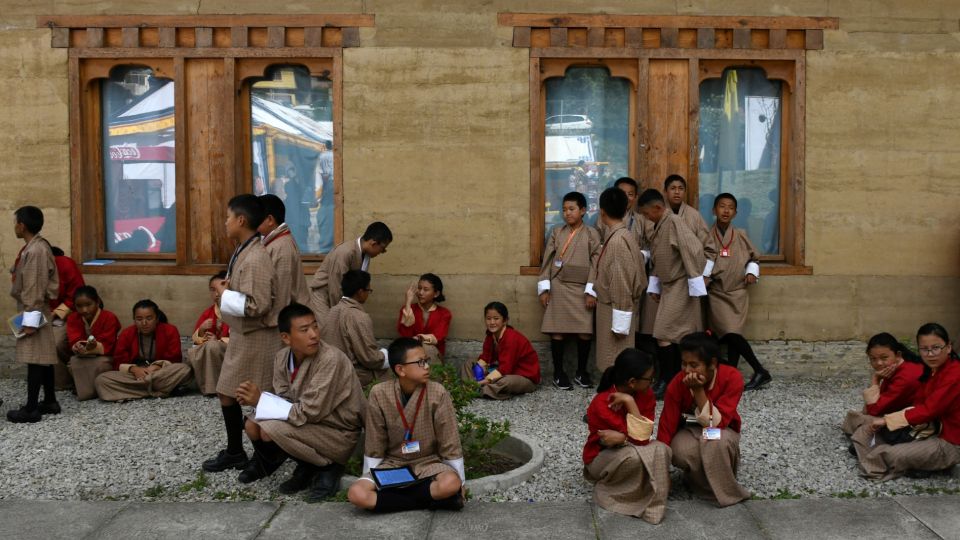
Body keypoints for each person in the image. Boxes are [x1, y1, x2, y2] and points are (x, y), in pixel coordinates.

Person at [235, 303, 366, 502]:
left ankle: (328, 466)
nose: (314, 334)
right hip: (307, 422)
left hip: (337, 431)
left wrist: (261, 400)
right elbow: (284, 398)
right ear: (286, 338)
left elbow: (309, 411)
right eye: (304, 330)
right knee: (251, 425)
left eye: (315, 326)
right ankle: (305, 464)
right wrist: (256, 402)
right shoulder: (282, 358)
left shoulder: (331, 359)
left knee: (270, 429)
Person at [203, 194, 283, 473]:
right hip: (243, 334)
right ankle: (236, 451)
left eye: (227, 217)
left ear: (241, 220)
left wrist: (225, 293)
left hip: (257, 337)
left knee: (256, 397)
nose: (224, 223)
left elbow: (259, 304)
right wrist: (230, 287)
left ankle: (267, 457)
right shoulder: (244, 249)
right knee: (226, 391)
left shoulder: (256, 257)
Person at [347, 337, 465, 513]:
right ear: (400, 369)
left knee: (451, 483)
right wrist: (370, 475)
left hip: (428, 463)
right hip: (393, 464)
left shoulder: (437, 392)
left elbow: (450, 441)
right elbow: (375, 441)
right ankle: (427, 500)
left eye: (426, 361)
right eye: (420, 362)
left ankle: (392, 502)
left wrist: (461, 483)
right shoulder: (379, 394)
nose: (426, 366)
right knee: (357, 494)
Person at [851, 323, 960, 481]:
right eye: (924, 349)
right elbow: (917, 404)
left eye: (936, 348)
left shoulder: (954, 374)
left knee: (892, 453)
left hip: (950, 441)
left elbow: (929, 409)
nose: (930, 354)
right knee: (865, 431)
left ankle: (885, 458)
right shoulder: (930, 370)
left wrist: (887, 420)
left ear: (948, 347)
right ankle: (899, 460)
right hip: (925, 430)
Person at [656, 332, 750, 507]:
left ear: (712, 364)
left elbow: (717, 423)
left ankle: (722, 489)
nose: (687, 370)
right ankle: (698, 483)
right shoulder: (677, 383)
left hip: (721, 429)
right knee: (681, 451)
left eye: (694, 365)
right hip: (689, 430)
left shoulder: (732, 377)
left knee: (716, 440)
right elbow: (666, 425)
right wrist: (662, 470)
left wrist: (698, 391)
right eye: (684, 364)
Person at [583, 348, 671, 524]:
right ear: (632, 382)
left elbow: (643, 438)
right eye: (649, 379)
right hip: (599, 458)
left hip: (626, 449)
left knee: (663, 449)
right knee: (634, 457)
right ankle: (616, 494)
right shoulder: (602, 402)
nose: (652, 383)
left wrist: (628, 404)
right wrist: (626, 436)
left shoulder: (646, 396)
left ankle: (652, 501)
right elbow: (639, 439)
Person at [637, 188, 707, 399]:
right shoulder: (661, 224)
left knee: (665, 333)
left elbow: (693, 249)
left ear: (658, 208)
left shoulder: (674, 222)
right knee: (669, 334)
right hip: (669, 286)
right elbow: (659, 258)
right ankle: (674, 379)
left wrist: (695, 279)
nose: (647, 218)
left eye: (648, 214)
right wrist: (655, 285)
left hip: (681, 285)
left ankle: (670, 379)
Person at [703, 193, 771, 390]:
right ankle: (758, 371)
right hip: (717, 293)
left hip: (738, 292)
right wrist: (705, 277)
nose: (726, 210)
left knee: (733, 335)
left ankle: (734, 376)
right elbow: (705, 259)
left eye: (730, 207)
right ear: (714, 210)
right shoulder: (708, 235)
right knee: (730, 334)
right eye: (722, 206)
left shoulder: (741, 234)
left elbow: (754, 258)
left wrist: (751, 272)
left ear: (735, 212)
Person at [538, 191, 601, 389]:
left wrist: (591, 290)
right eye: (564, 209)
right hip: (559, 286)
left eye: (572, 209)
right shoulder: (557, 232)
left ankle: (581, 372)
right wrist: (544, 288)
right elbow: (548, 260)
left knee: (585, 332)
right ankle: (558, 372)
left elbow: (597, 263)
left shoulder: (592, 233)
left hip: (582, 289)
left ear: (583, 211)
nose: (567, 213)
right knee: (557, 331)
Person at [6, 206, 61, 423]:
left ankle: (30, 409)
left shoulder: (36, 251)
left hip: (35, 308)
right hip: (37, 307)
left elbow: (34, 288)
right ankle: (49, 400)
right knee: (43, 355)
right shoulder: (35, 247)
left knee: (34, 357)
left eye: (16, 222)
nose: (15, 226)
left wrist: (30, 320)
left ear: (22, 225)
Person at [94, 300, 191, 402]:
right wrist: (134, 369)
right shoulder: (127, 334)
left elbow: (175, 358)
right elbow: (118, 361)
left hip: (159, 373)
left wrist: (157, 366)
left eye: (149, 318)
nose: (144, 323)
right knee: (101, 380)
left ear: (157, 318)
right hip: (135, 376)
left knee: (185, 369)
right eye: (139, 319)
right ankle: (163, 390)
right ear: (134, 320)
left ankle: (132, 392)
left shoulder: (170, 330)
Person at [594, 187, 647, 374]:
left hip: (615, 309)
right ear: (626, 209)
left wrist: (620, 322)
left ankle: (617, 397)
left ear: (602, 212)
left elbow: (622, 282)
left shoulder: (618, 240)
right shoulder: (622, 235)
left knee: (615, 362)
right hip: (612, 307)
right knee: (614, 361)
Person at [841, 332, 923, 437]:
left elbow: (874, 410)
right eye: (873, 359)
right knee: (855, 416)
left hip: (915, 420)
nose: (879, 363)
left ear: (898, 355)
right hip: (901, 411)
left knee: (862, 419)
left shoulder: (905, 376)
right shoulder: (898, 367)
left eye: (884, 358)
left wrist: (875, 379)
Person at [308, 221, 392, 321]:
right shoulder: (345, 252)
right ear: (373, 243)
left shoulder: (366, 255)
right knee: (328, 330)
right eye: (382, 249)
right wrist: (341, 313)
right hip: (324, 295)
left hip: (341, 299)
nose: (381, 253)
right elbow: (335, 288)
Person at [320, 270, 390, 387]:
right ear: (360, 292)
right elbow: (369, 358)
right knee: (388, 373)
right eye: (369, 290)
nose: (368, 294)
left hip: (329, 368)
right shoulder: (359, 317)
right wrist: (386, 355)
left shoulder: (332, 310)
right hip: (350, 373)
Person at [459, 302, 540, 400]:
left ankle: (480, 390)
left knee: (506, 382)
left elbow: (506, 368)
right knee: (469, 363)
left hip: (522, 377)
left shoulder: (511, 337)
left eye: (496, 319)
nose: (492, 322)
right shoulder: (490, 335)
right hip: (503, 370)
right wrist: (479, 369)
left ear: (505, 320)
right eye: (488, 319)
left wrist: (486, 379)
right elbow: (485, 357)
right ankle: (471, 386)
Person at [64, 286, 121, 401]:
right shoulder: (73, 318)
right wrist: (78, 346)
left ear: (97, 302)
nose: (84, 310)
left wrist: (93, 347)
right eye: (79, 306)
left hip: (105, 355)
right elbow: (74, 338)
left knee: (101, 365)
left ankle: (91, 390)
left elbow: (108, 344)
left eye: (88, 304)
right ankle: (90, 389)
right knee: (72, 363)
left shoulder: (109, 317)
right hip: (83, 355)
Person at [259, 194, 310, 307]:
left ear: (270, 220)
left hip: (290, 315)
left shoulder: (281, 246)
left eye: (256, 217)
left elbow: (282, 294)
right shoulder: (275, 241)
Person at [186, 272, 231, 396]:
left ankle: (213, 389)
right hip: (212, 348)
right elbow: (196, 341)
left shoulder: (237, 310)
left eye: (220, 290)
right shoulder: (209, 313)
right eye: (212, 290)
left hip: (231, 349)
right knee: (195, 352)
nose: (216, 294)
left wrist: (219, 341)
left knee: (212, 346)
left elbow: (243, 337)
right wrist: (201, 330)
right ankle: (208, 385)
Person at [49, 246, 85, 390]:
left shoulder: (65, 264)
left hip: (66, 315)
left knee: (55, 342)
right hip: (41, 314)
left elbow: (75, 296)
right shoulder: (32, 266)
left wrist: (54, 314)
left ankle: (62, 383)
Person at [397, 273, 452, 365]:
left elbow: (438, 337)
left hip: (433, 354)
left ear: (436, 293)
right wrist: (408, 303)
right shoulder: (408, 309)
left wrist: (419, 338)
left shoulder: (444, 313)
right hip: (411, 353)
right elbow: (405, 335)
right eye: (419, 288)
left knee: (428, 348)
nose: (420, 292)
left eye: (425, 289)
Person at [663, 174, 709, 243]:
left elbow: (707, 245)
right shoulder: (659, 214)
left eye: (681, 188)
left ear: (685, 191)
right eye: (673, 188)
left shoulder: (694, 215)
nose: (677, 192)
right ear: (665, 191)